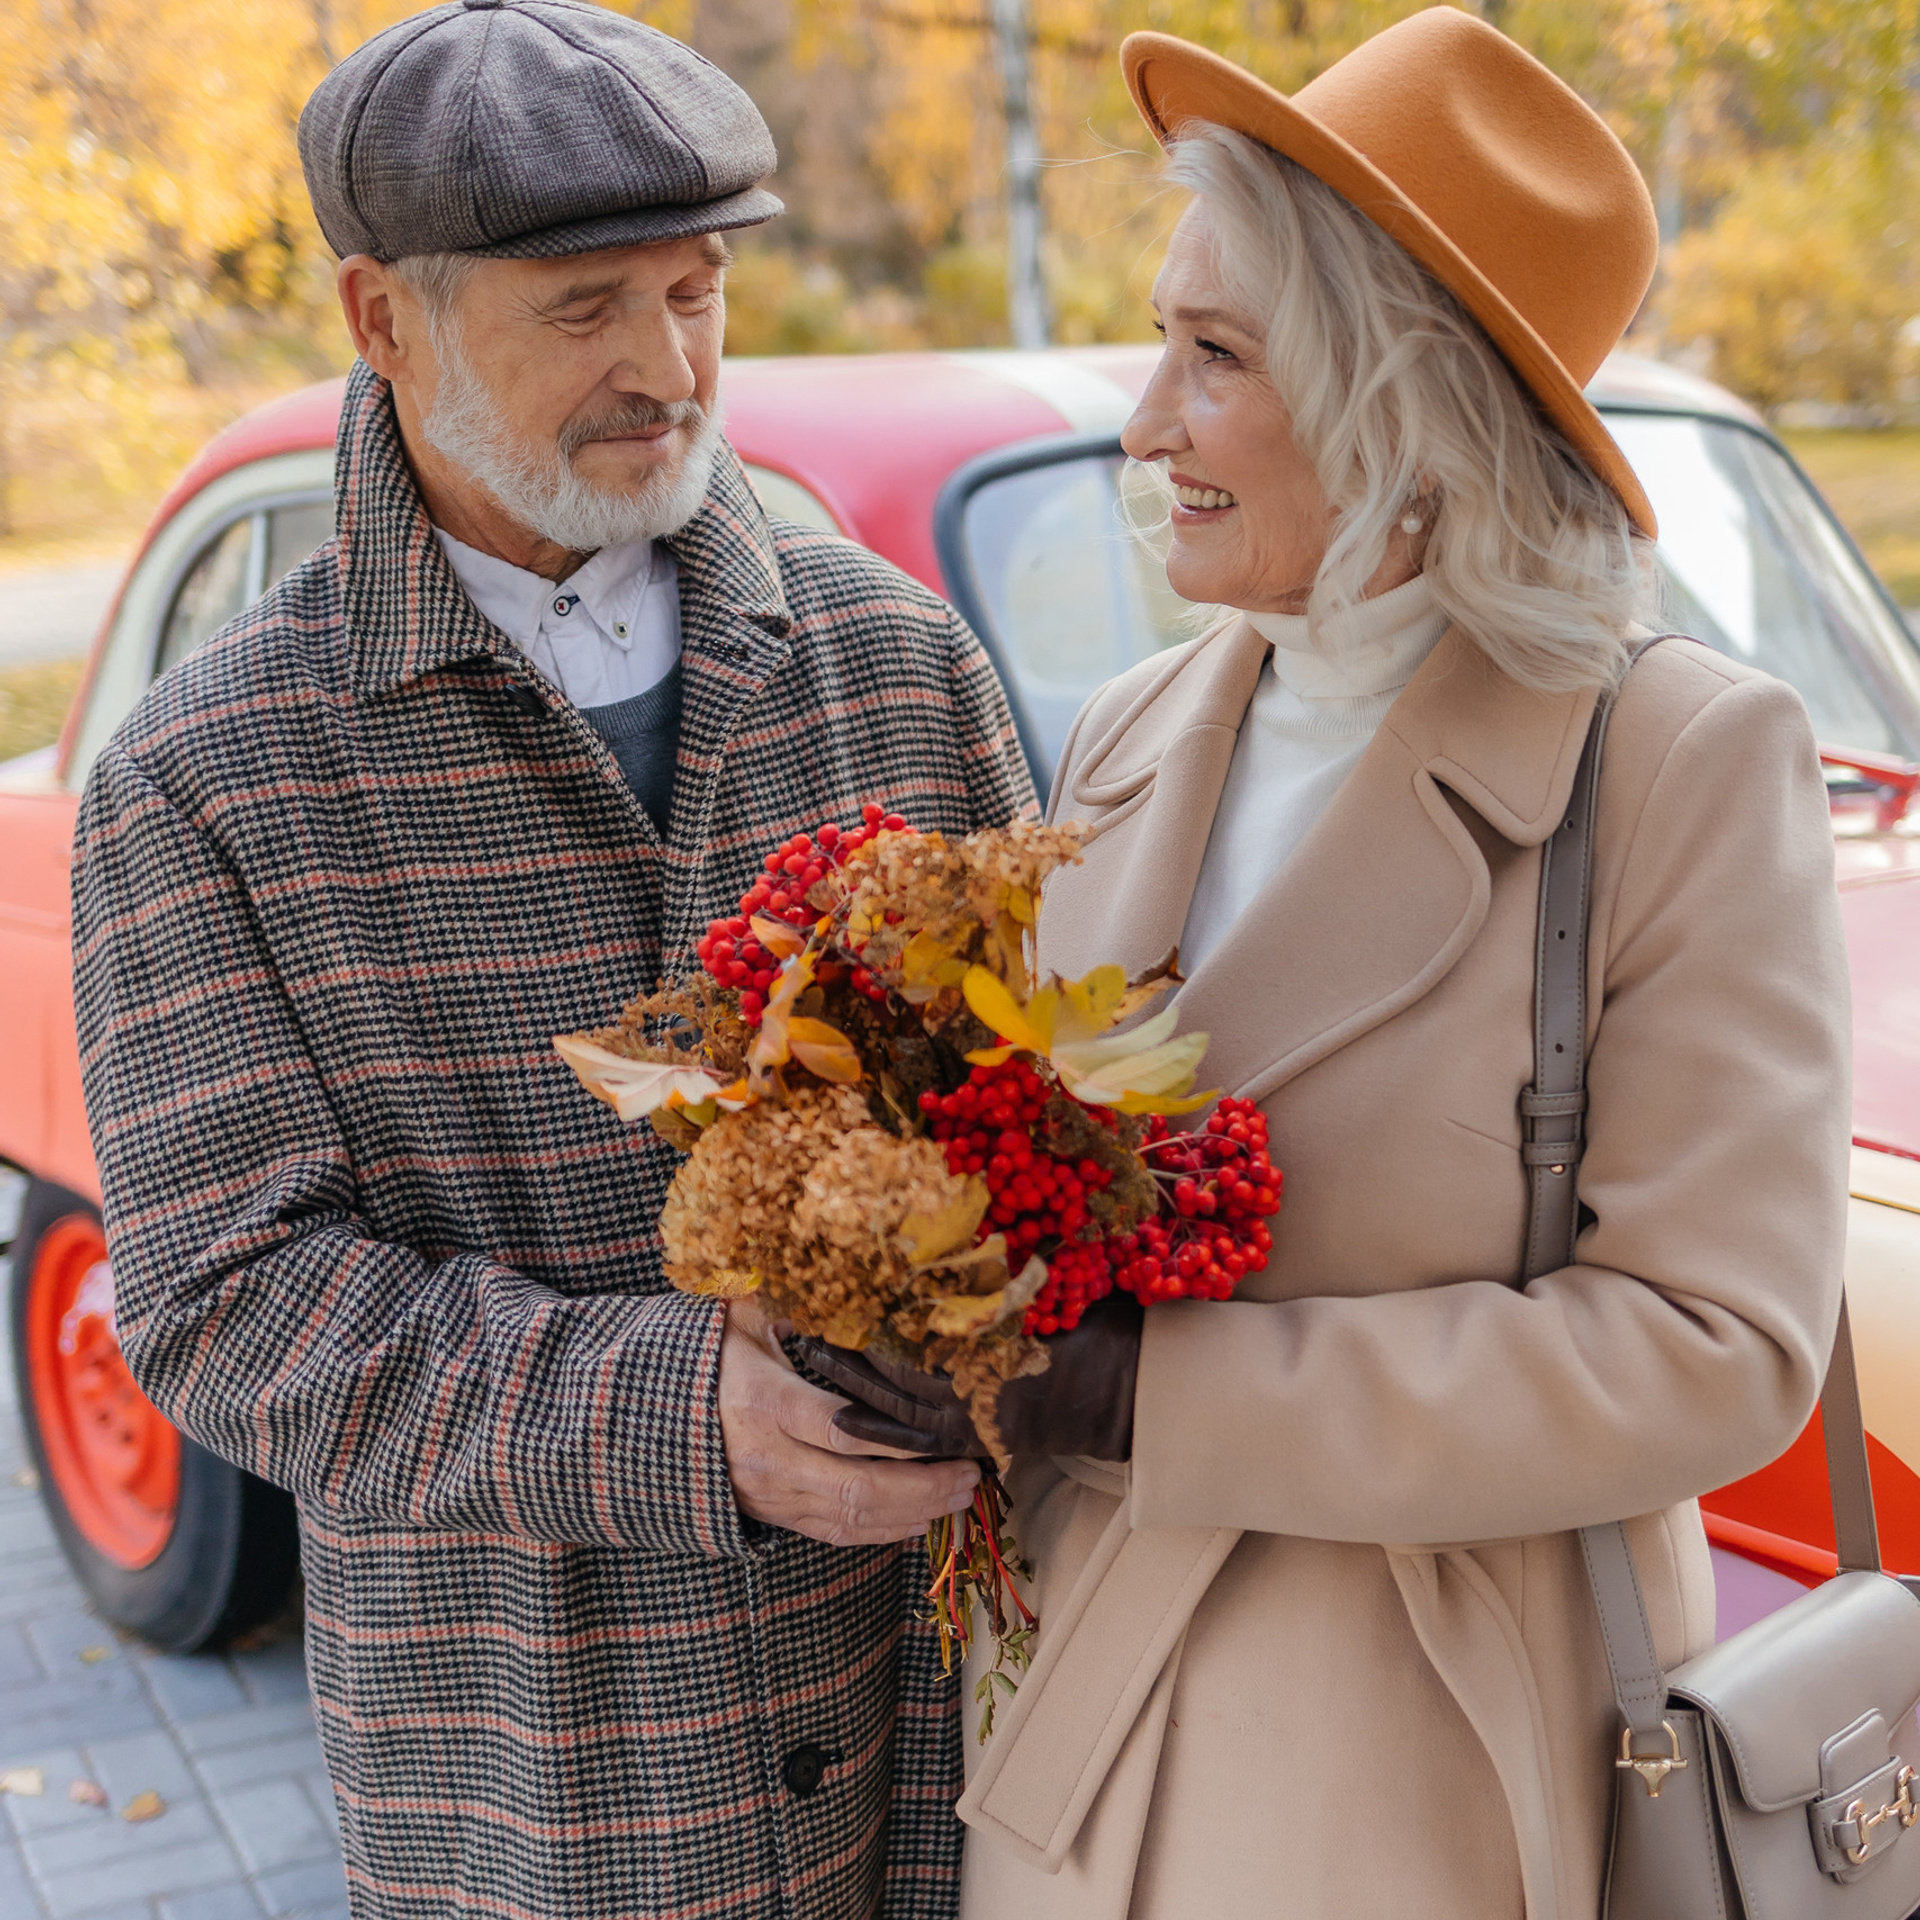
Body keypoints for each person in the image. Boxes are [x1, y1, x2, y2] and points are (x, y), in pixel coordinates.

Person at [816, 11, 1852, 1916]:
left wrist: (1144, 1401)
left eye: (1215, 357)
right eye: (1164, 344)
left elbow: (1723, 1352)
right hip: (1073, 1741)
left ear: (1409, 400)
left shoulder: (1674, 759)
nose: (1144, 423)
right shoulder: (1139, 720)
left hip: (1423, 1776)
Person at [71, 4, 1035, 1916]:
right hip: (546, 1810)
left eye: (697, 293)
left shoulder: (901, 660)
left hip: (953, 1760)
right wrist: (683, 1413)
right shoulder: (207, 779)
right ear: (380, 320)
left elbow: (1037, 1119)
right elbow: (219, 1303)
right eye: (586, 308)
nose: (667, 366)